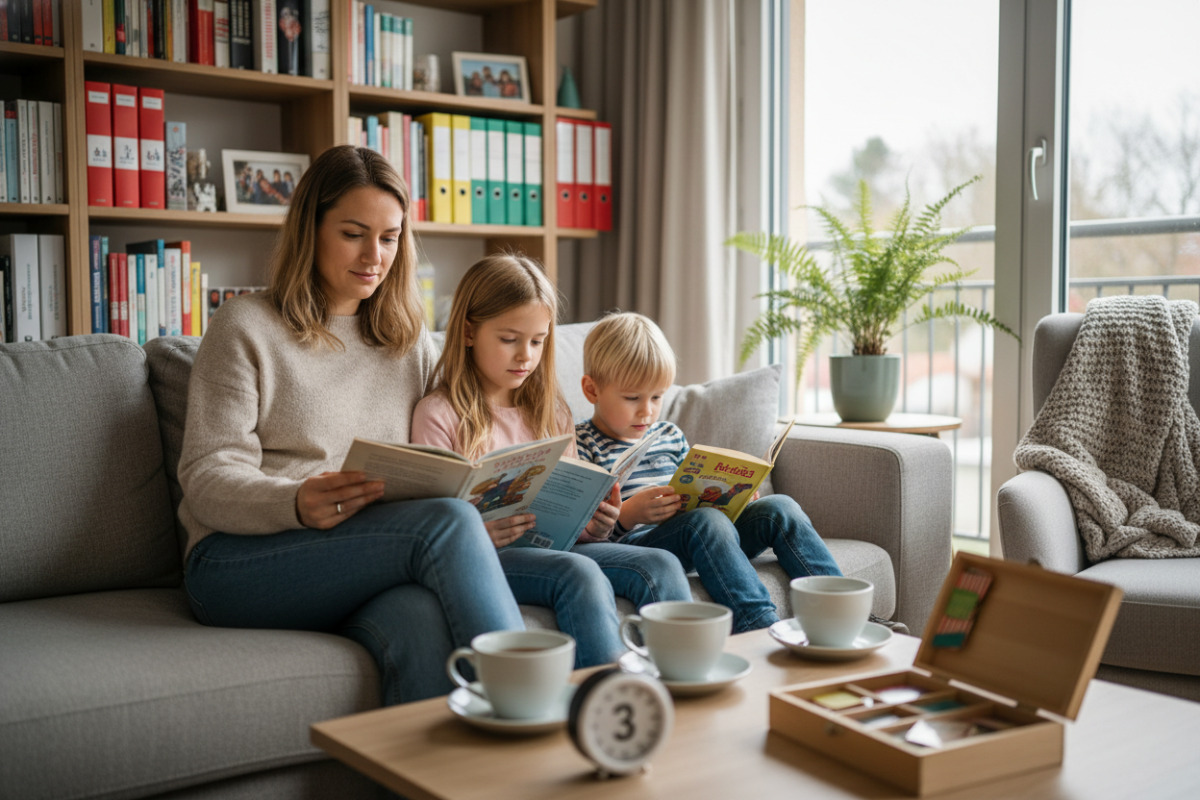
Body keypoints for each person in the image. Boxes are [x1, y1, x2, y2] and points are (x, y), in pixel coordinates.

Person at [177, 145, 524, 706]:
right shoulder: (244, 326)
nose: (374, 256)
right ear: (310, 230)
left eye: (389, 238)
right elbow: (206, 475)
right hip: (236, 560)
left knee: (419, 620)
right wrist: (294, 501)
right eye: (353, 234)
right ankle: (533, 703)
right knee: (445, 524)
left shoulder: (408, 341)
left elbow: (444, 448)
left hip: (358, 553)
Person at [411, 255, 692, 668]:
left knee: (660, 563)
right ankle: (607, 695)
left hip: (556, 546)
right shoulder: (439, 414)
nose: (525, 356)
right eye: (510, 339)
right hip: (489, 556)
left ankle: (685, 680)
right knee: (578, 574)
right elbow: (433, 522)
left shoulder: (551, 412)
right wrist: (479, 532)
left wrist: (597, 524)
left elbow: (574, 514)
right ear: (469, 332)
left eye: (538, 341)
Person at [574, 312, 844, 634]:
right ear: (592, 390)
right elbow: (584, 535)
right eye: (632, 398)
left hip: (704, 536)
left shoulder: (668, 434)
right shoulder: (582, 445)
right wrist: (629, 514)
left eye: (657, 397)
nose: (647, 410)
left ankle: (843, 611)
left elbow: (693, 488)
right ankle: (758, 625)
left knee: (780, 508)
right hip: (641, 548)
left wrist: (735, 498)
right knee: (706, 521)